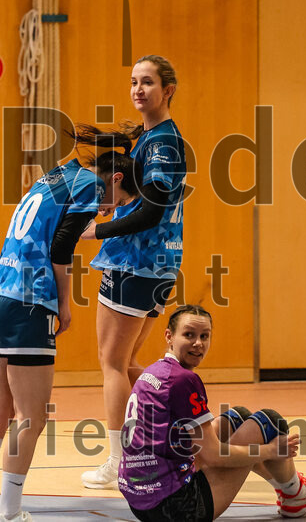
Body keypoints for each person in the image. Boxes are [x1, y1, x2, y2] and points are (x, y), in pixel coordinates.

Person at [0, 152, 137, 522]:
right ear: (116, 179)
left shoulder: (58, 174)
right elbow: (61, 247)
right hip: (29, 301)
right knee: (31, 418)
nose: (107, 212)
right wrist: (64, 301)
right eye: (116, 203)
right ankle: (9, 513)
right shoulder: (91, 186)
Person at [71, 55, 187, 489]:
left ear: (168, 90)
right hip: (156, 266)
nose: (138, 89)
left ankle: (120, 460)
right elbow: (141, 198)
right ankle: (182, 430)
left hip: (134, 263)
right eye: (134, 82)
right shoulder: (151, 138)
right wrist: (112, 197)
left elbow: (153, 212)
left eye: (148, 82)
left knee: (112, 363)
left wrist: (96, 230)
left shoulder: (163, 144)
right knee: (132, 364)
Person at [119, 304, 306, 520]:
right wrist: (270, 451)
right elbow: (213, 455)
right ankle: (296, 492)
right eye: (189, 335)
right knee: (269, 422)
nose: (198, 343)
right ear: (169, 336)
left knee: (238, 417)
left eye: (204, 336)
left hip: (140, 502)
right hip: (176, 509)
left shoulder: (153, 371)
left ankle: (291, 489)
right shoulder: (183, 379)